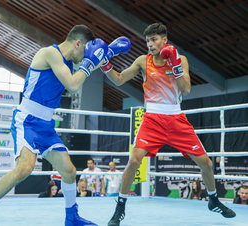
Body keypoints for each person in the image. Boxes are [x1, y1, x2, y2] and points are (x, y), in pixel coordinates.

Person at [0, 24, 108, 226]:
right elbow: (74, 85)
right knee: (24, 168)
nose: (85, 56)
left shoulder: (67, 63)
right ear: (78, 43)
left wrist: (107, 55)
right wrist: (90, 62)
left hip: (46, 125)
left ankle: (71, 217)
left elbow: (77, 79)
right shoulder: (50, 53)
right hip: (28, 119)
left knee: (69, 171)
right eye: (85, 51)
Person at [100, 23, 236, 225]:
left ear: (164, 40)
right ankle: (120, 207)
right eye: (147, 40)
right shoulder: (142, 61)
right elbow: (119, 79)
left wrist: (176, 67)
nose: (150, 44)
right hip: (152, 119)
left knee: (207, 164)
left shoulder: (180, 60)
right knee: (134, 161)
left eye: (154, 39)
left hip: (176, 118)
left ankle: (214, 200)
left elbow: (186, 89)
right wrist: (104, 63)